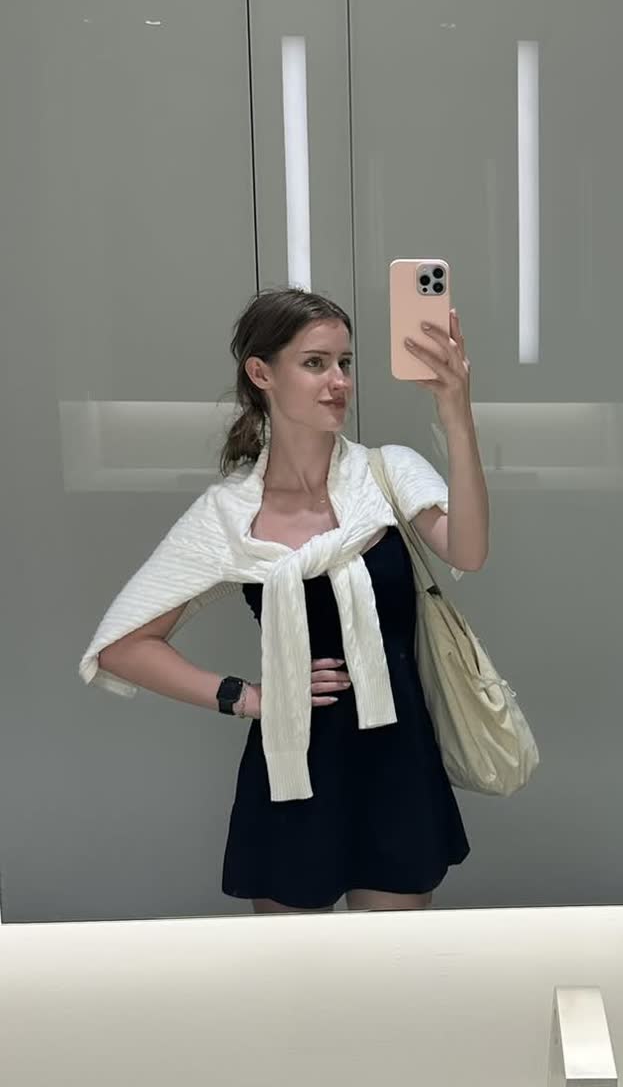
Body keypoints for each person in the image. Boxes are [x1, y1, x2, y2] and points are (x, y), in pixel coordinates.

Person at [96, 285, 490, 916]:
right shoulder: (231, 513)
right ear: (262, 374)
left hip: (396, 760)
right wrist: (246, 697)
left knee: (391, 968)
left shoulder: (387, 474)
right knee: (298, 973)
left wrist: (456, 413)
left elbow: (468, 550)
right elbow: (122, 646)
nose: (339, 382)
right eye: (315, 363)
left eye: (345, 363)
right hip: (292, 766)